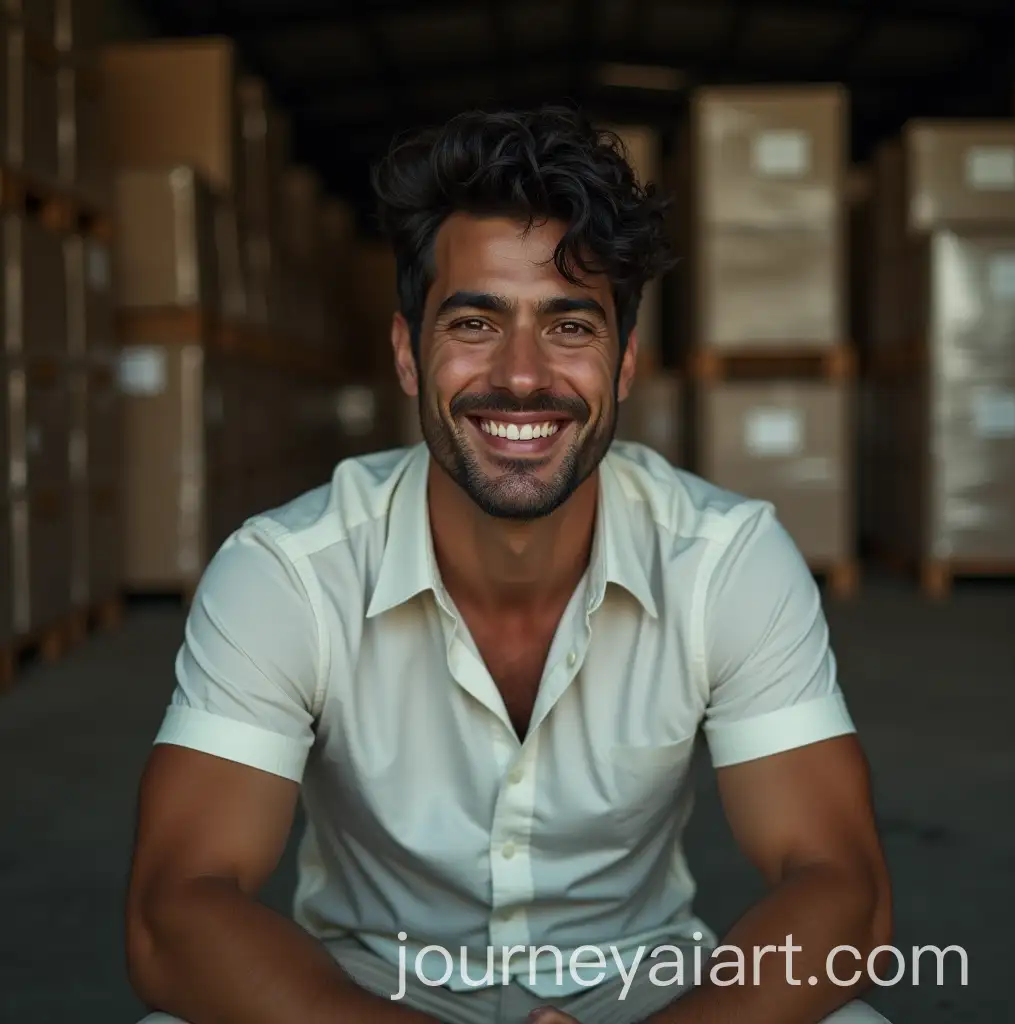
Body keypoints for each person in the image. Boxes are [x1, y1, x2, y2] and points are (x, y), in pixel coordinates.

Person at [125, 107, 893, 1024]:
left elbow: (842, 887)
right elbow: (176, 911)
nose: (522, 376)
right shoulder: (287, 572)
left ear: (625, 363)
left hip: (646, 998)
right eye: (476, 321)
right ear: (410, 354)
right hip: (367, 1001)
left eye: (570, 327)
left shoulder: (725, 560)